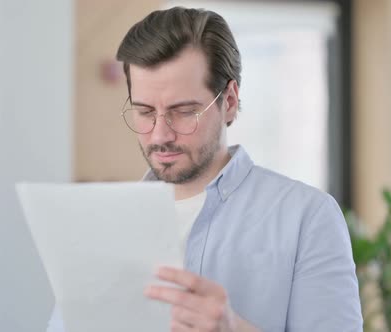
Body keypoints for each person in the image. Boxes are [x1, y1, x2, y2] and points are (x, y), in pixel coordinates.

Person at [48, 6, 362, 331]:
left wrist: (234, 328)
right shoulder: (103, 224)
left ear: (228, 101)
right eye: (143, 111)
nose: (160, 135)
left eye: (183, 111)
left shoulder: (307, 217)